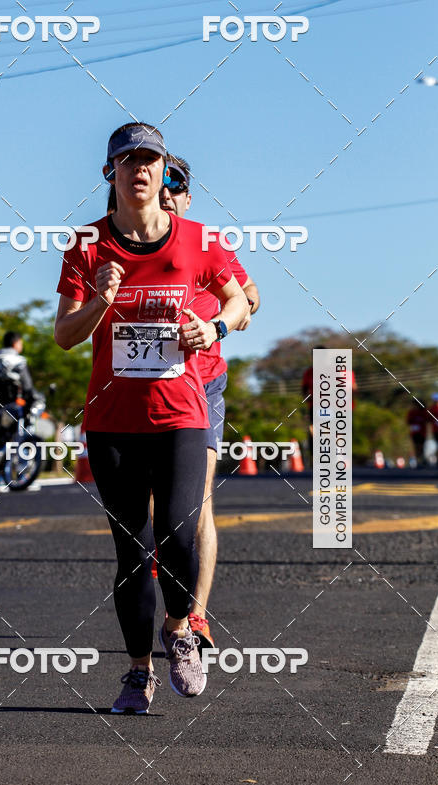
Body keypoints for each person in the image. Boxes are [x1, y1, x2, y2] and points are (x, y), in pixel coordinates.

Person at [54, 122, 248, 714]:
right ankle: (137, 673)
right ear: (109, 173)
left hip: (182, 413)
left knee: (182, 531)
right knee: (132, 547)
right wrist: (99, 302)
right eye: (128, 161)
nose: (140, 170)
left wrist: (213, 326)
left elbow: (242, 299)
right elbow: (64, 335)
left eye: (150, 160)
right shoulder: (86, 244)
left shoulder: (197, 239)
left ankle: (181, 628)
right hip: (113, 419)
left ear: (164, 171)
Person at [156, 154, 260, 649]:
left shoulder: (204, 241)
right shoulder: (122, 241)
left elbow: (249, 295)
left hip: (202, 386)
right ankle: (167, 592)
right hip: (144, 390)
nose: (165, 198)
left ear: (188, 198)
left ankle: (195, 617)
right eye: (159, 187)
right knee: (156, 507)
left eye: (175, 190)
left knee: (198, 502)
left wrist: (231, 313)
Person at [0, 331, 35, 489]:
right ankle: (21, 475)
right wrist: (32, 399)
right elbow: (27, 386)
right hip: (13, 406)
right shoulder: (18, 360)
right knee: (19, 437)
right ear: (16, 343)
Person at [406, 398, 428, 467]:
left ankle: (422, 459)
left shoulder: (423, 412)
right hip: (415, 432)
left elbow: (427, 420)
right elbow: (408, 421)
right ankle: (418, 460)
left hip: (422, 433)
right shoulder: (411, 412)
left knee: (421, 446)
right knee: (416, 446)